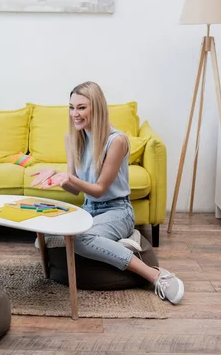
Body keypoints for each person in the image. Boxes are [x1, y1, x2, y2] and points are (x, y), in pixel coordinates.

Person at [30, 81, 184, 304]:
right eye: (71, 107)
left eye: (81, 107)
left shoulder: (116, 141)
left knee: (81, 240)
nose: (75, 114)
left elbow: (100, 189)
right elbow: (75, 190)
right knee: (42, 237)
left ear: (97, 107)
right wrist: (58, 177)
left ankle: (156, 275)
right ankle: (116, 244)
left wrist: (70, 177)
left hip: (117, 210)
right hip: (88, 209)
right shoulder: (72, 137)